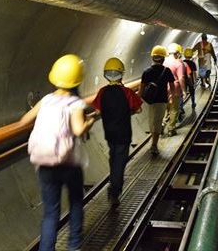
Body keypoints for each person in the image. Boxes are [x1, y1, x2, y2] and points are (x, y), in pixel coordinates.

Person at [19, 54, 95, 251]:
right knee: (76, 203)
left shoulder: (46, 100)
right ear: (78, 79)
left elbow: (24, 121)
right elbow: (78, 130)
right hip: (69, 164)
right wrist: (91, 120)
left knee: (50, 213)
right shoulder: (75, 103)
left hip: (44, 163)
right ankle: (74, 246)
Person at [91, 57, 143, 206]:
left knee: (113, 158)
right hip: (124, 133)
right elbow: (139, 109)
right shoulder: (126, 92)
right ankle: (114, 192)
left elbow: (97, 110)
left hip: (109, 133)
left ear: (105, 74)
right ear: (122, 74)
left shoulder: (102, 92)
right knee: (120, 162)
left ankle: (113, 182)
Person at [138, 45, 176, 155]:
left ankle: (153, 143)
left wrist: (137, 103)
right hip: (161, 100)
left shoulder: (146, 72)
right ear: (163, 58)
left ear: (152, 58)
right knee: (157, 122)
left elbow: (141, 89)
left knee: (152, 122)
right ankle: (154, 144)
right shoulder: (167, 71)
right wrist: (172, 98)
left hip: (148, 101)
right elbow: (172, 87)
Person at [163, 43, 187, 136]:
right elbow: (181, 78)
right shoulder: (178, 63)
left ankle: (162, 123)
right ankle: (171, 129)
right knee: (174, 109)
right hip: (174, 88)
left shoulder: (163, 61)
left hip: (163, 88)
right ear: (177, 53)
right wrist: (184, 91)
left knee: (165, 108)